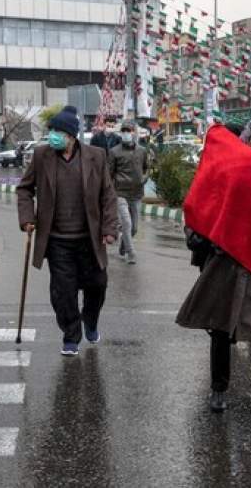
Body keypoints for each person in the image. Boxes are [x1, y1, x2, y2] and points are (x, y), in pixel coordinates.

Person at [177, 118, 251, 433]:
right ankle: (219, 387)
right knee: (220, 332)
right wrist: (210, 234)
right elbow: (199, 208)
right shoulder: (224, 171)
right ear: (247, 139)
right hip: (226, 265)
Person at [17, 106, 118, 356]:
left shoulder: (96, 156)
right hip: (57, 240)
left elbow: (108, 195)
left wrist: (109, 228)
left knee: (98, 285)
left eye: (58, 132)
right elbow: (24, 189)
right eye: (51, 131)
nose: (53, 136)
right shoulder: (42, 156)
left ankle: (90, 321)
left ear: (71, 136)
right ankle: (71, 335)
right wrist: (27, 218)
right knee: (63, 291)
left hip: (89, 238)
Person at [109, 120, 150, 264]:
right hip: (120, 193)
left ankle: (124, 244)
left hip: (137, 194)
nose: (126, 133)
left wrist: (144, 179)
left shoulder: (142, 151)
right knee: (126, 223)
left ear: (134, 132)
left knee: (134, 228)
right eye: (124, 131)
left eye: (129, 131)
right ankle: (131, 253)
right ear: (121, 133)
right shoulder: (114, 152)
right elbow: (109, 174)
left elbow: (146, 169)